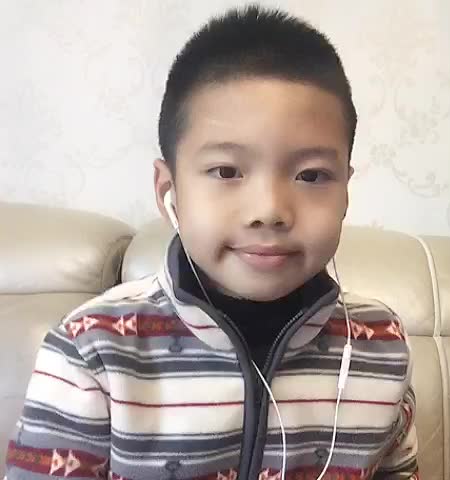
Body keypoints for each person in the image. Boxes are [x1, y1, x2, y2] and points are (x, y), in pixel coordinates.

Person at [5, 5, 418, 480]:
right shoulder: (92, 347)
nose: (270, 210)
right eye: (226, 171)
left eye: (311, 175)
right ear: (170, 190)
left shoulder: (381, 344)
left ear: (345, 191)